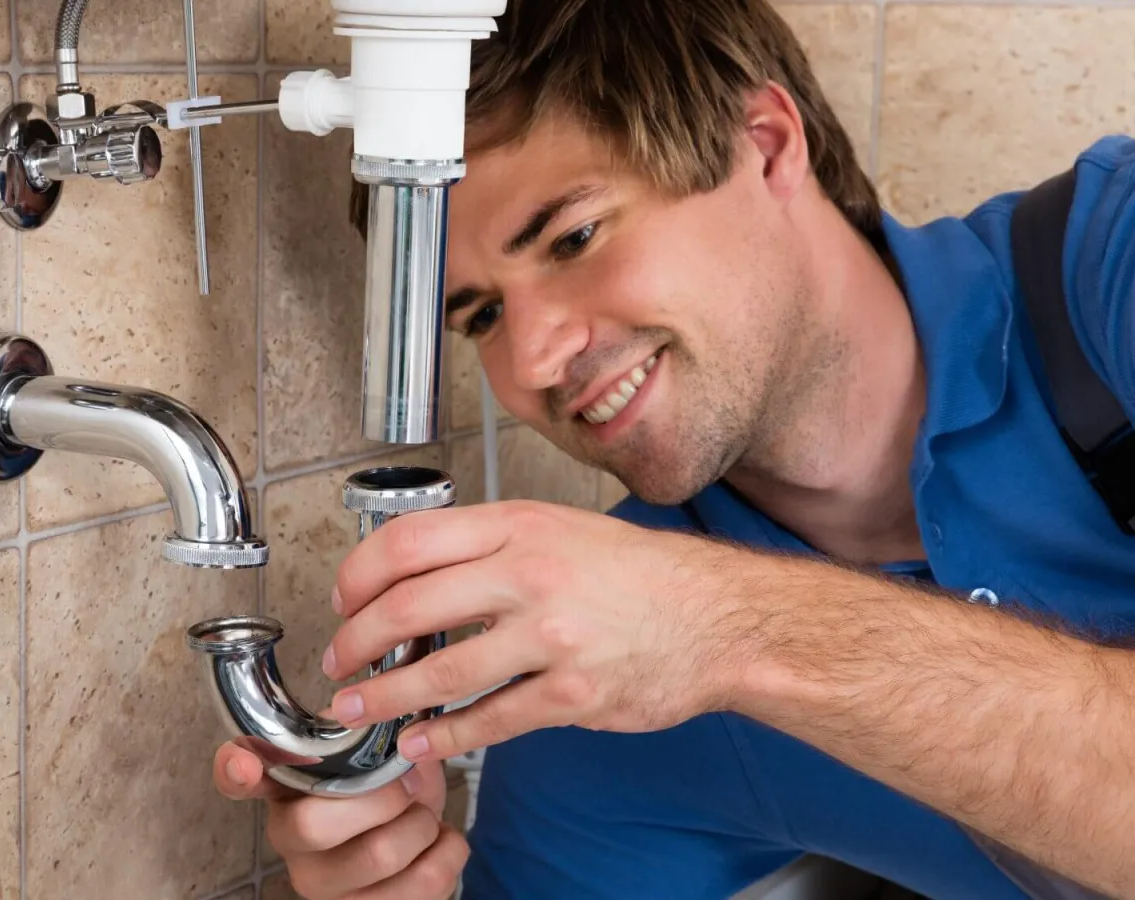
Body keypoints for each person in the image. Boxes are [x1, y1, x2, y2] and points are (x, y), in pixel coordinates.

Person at [213, 0, 1135, 897]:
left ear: (767, 143)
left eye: (574, 235)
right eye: (483, 315)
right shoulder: (609, 682)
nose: (533, 358)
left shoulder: (1112, 264)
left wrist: (733, 628)